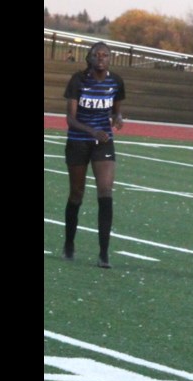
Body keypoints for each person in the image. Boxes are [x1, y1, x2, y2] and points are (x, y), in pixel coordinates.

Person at [62, 41, 125, 268]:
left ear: (110, 59)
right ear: (90, 58)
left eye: (105, 55)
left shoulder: (116, 81)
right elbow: (71, 119)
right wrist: (92, 131)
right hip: (79, 141)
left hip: (103, 143)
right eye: (97, 54)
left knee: (106, 191)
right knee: (77, 193)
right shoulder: (78, 81)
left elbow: (117, 111)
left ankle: (103, 253)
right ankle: (69, 243)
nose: (101, 58)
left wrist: (118, 119)